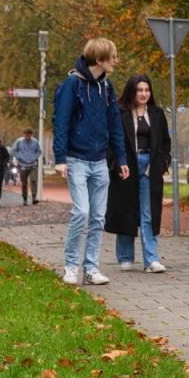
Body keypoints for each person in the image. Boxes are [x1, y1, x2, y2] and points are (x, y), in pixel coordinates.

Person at [52, 38, 128, 285]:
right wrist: (60, 158)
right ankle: (71, 266)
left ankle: (91, 269)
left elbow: (115, 123)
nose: (116, 60)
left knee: (98, 216)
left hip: (99, 162)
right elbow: (61, 121)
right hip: (76, 160)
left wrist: (121, 157)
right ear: (99, 59)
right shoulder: (72, 84)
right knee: (81, 212)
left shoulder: (107, 87)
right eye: (113, 56)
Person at [105, 74, 171, 272]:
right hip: (126, 165)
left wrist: (162, 163)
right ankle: (125, 257)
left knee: (148, 213)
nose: (144, 94)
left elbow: (165, 143)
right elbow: (109, 140)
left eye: (147, 90)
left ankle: (151, 260)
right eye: (139, 90)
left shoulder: (157, 113)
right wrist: (115, 163)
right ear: (131, 91)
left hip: (150, 166)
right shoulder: (119, 112)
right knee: (126, 210)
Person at [12, 127, 42, 205]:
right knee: (24, 182)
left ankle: (34, 197)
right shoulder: (19, 141)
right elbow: (14, 150)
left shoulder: (35, 142)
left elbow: (39, 151)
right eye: (26, 136)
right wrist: (19, 157)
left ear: (31, 135)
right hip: (23, 165)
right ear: (24, 135)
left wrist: (35, 157)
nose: (28, 137)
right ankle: (24, 198)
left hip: (33, 165)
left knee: (33, 180)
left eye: (29, 136)